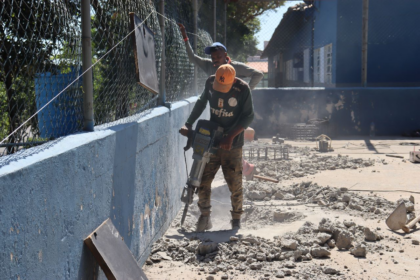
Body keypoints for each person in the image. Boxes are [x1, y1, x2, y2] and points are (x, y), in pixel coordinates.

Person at [179, 64, 254, 231]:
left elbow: (249, 116)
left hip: (232, 145)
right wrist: (189, 124)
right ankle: (205, 216)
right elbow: (200, 103)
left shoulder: (242, 89)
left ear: (233, 80)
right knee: (203, 180)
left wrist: (230, 136)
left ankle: (236, 219)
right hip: (211, 141)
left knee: (234, 183)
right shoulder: (210, 82)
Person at [178, 23, 264, 90]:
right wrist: (185, 38)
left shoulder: (236, 67)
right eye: (213, 57)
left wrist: (246, 91)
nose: (215, 60)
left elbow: (258, 74)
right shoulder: (209, 65)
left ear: (225, 55)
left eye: (218, 56)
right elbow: (192, 58)